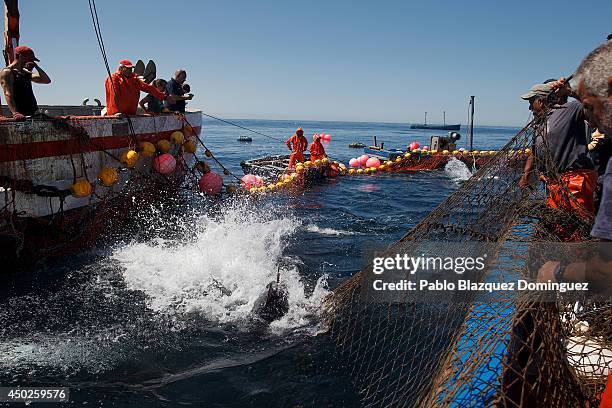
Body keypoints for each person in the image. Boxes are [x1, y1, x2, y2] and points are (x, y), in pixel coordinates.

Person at [518, 82, 597, 214]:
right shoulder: (539, 124)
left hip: (576, 178)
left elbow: (594, 106)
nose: (530, 108)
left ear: (541, 101)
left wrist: (570, 92)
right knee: (559, 227)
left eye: (531, 102)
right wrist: (525, 176)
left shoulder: (569, 110)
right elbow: (535, 152)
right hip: (555, 182)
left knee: (577, 225)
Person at [0, 45, 51, 120]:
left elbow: (46, 80)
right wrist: (15, 113)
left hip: (33, 113)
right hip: (20, 115)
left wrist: (36, 66)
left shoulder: (26, 73)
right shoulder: (7, 72)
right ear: (20, 56)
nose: (31, 62)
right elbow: (8, 93)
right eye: (29, 59)